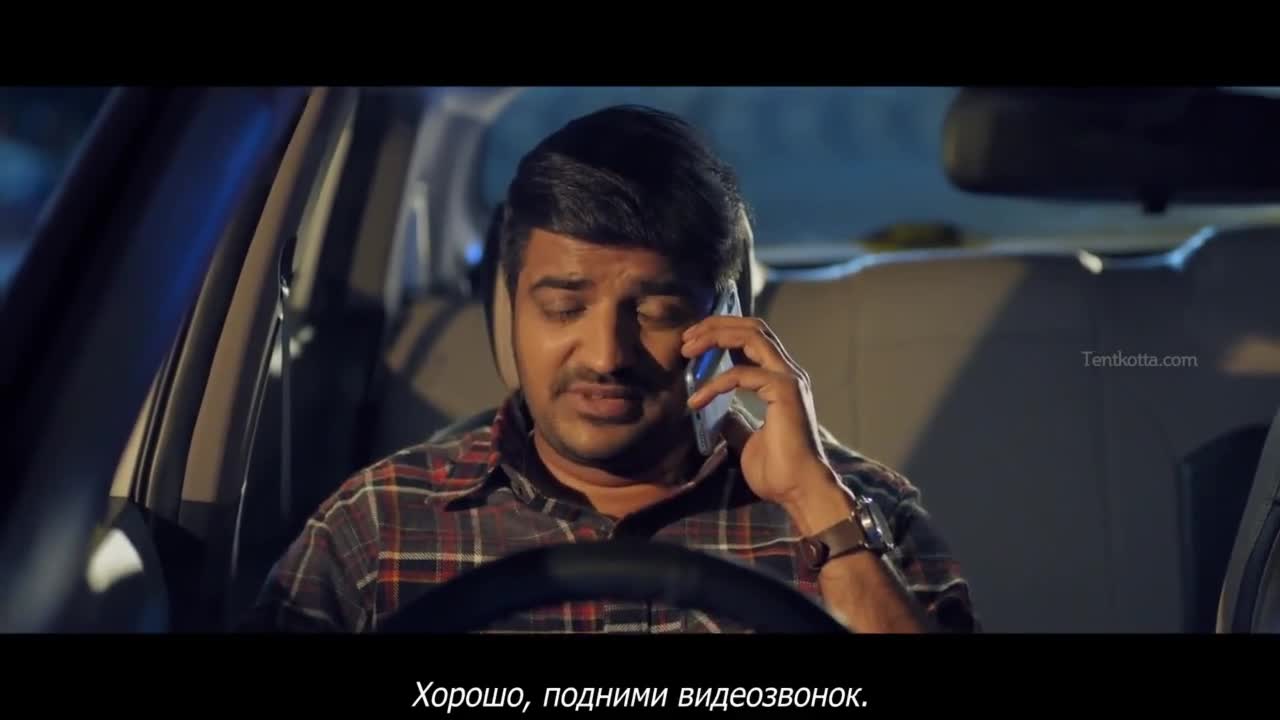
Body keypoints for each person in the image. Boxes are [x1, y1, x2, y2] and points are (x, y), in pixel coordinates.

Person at [246, 105, 979, 634]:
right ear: (508, 313)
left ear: (729, 319)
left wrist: (823, 515)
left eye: (655, 312)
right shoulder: (376, 526)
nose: (606, 356)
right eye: (564, 308)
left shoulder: (863, 519)